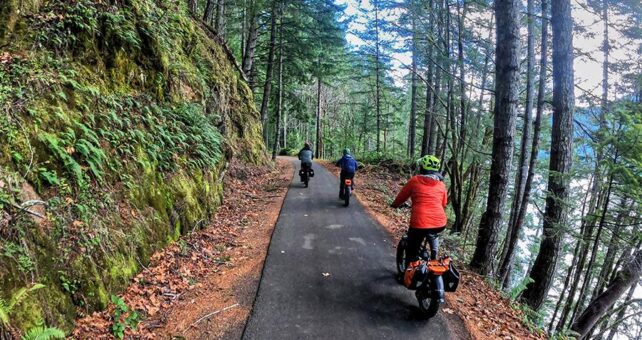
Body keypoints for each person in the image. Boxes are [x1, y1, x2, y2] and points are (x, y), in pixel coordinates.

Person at [391, 155, 447, 266]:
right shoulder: (441, 185)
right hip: (440, 222)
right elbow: (444, 204)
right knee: (432, 232)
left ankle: (406, 274)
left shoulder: (415, 181)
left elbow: (402, 197)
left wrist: (394, 205)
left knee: (412, 251)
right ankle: (434, 255)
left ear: (422, 168)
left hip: (420, 222)